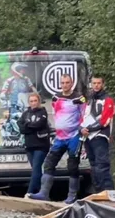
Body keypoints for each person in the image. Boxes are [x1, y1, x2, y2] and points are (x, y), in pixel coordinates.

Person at [29, 73, 86, 204]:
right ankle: (44, 192)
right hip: (59, 137)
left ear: (71, 84)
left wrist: (81, 128)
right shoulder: (56, 98)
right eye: (63, 83)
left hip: (74, 136)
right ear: (60, 84)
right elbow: (56, 113)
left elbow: (84, 114)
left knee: (72, 166)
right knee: (49, 163)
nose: (65, 85)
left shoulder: (79, 98)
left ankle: (72, 195)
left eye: (67, 82)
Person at [81, 75, 115, 193]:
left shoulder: (108, 99)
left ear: (103, 84)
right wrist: (81, 129)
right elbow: (83, 116)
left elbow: (105, 120)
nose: (96, 85)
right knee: (93, 166)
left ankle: (108, 191)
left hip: (100, 136)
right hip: (88, 137)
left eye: (99, 83)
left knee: (102, 165)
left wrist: (88, 129)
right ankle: (98, 191)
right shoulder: (89, 99)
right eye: (94, 83)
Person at [18, 92, 52, 197]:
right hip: (29, 146)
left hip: (41, 145)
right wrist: (28, 126)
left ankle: (29, 192)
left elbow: (39, 124)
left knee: (37, 168)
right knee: (35, 170)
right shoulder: (26, 113)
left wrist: (27, 125)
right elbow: (20, 126)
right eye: (31, 101)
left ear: (39, 101)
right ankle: (41, 193)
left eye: (35, 101)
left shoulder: (43, 112)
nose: (33, 103)